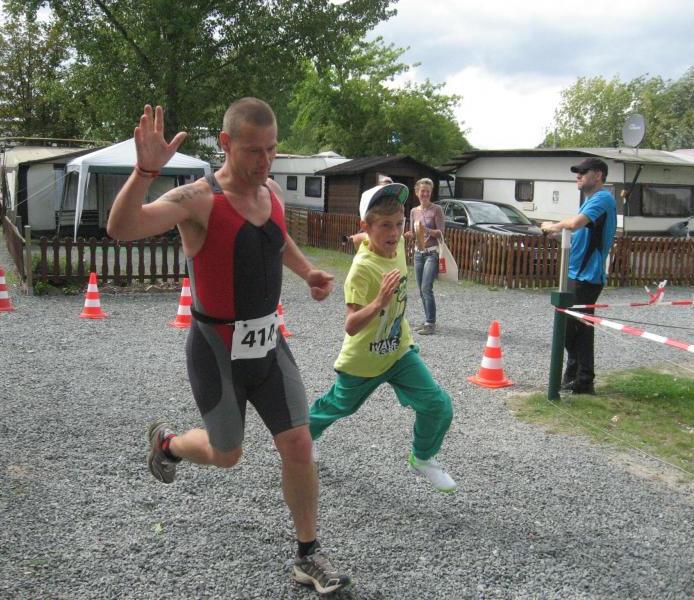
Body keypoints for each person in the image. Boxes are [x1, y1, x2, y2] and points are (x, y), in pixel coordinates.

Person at [107, 99, 350, 595]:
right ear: (225, 143)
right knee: (226, 454)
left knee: (299, 444)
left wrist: (308, 272)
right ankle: (168, 444)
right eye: (253, 151)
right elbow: (122, 228)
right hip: (216, 350)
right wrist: (145, 172)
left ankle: (308, 554)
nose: (265, 161)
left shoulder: (272, 192)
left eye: (272, 149)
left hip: (268, 344)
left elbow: (276, 239)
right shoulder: (198, 200)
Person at [308, 183, 456, 493]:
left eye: (399, 224)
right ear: (367, 225)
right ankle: (303, 438)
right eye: (385, 225)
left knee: (438, 404)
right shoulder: (361, 270)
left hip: (398, 350)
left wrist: (376, 233)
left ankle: (422, 457)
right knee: (340, 405)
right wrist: (378, 303)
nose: (394, 232)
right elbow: (350, 325)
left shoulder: (397, 242)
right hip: (363, 358)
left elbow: (378, 235)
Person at [541, 157, 617, 395]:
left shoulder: (603, 198)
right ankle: (574, 375)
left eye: (583, 172)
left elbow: (574, 224)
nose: (578, 176)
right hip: (575, 273)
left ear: (598, 175)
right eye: (577, 172)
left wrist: (552, 225)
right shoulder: (589, 202)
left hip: (587, 276)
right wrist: (557, 236)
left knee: (576, 328)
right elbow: (579, 237)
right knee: (573, 328)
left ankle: (583, 380)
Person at [404, 178, 444, 335]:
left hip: (432, 253)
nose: (425, 194)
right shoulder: (414, 211)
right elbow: (414, 234)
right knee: (421, 289)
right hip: (418, 253)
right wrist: (409, 234)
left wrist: (426, 230)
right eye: (422, 191)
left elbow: (440, 233)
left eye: (428, 191)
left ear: (431, 192)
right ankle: (427, 320)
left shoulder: (437, 209)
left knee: (427, 287)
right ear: (417, 192)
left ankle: (431, 323)